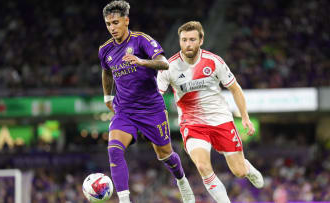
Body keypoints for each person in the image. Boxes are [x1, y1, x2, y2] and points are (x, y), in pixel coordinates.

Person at [98, 1, 195, 203]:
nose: (112, 28)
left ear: (126, 20)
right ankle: (125, 200)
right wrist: (108, 97)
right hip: (124, 111)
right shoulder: (105, 50)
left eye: (115, 22)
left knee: (166, 155)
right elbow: (106, 72)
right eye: (108, 24)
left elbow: (164, 63)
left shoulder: (141, 41)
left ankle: (182, 181)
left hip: (152, 110)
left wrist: (141, 61)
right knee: (114, 150)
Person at [157, 21, 264, 203]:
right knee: (203, 166)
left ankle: (247, 169)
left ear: (201, 40)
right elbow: (156, 97)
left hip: (221, 119)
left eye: (192, 39)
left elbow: (235, 89)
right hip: (192, 123)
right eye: (184, 40)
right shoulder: (169, 66)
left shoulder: (214, 61)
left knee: (238, 171)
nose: (188, 44)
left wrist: (244, 117)